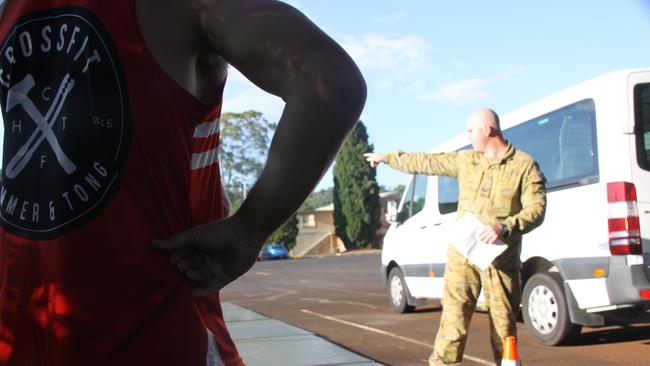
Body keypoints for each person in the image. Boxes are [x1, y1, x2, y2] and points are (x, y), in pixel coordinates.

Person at [0, 0, 366, 365]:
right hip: (152, 338)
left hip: (29, 334)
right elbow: (328, 80)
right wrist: (247, 230)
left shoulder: (11, 11)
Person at [364, 108, 546, 366]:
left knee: (504, 330)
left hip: (501, 263)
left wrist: (505, 227)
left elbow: (536, 209)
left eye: (471, 130)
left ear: (487, 130)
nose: (468, 135)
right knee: (453, 324)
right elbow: (426, 162)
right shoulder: (467, 161)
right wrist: (388, 158)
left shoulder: (524, 166)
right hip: (463, 256)